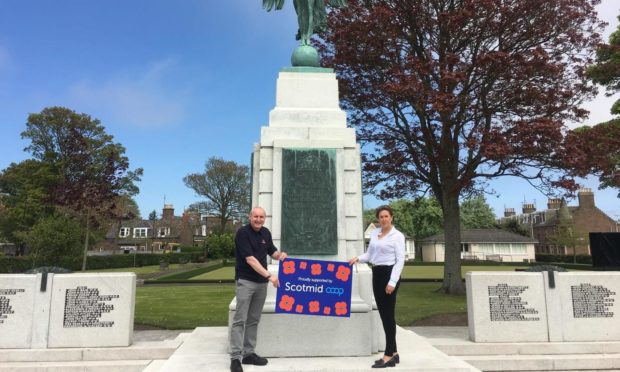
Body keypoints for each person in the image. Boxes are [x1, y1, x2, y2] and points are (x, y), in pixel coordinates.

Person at [229, 207, 288, 372]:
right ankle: (235, 358)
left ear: (265, 218)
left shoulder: (266, 233)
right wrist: (270, 276)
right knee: (240, 320)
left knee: (253, 319)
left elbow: (272, 251)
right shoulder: (242, 233)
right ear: (250, 217)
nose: (258, 219)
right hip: (246, 281)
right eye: (255, 216)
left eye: (261, 217)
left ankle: (248, 354)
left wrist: (280, 255)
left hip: (261, 284)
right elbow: (251, 260)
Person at [349, 205, 405, 368]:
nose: (383, 219)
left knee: (388, 315)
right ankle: (394, 353)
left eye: (386, 216)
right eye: (381, 217)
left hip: (389, 274)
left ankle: (387, 355)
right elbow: (370, 255)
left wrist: (392, 282)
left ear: (391, 217)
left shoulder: (397, 236)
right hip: (377, 274)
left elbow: (400, 260)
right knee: (384, 314)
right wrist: (357, 258)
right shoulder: (374, 233)